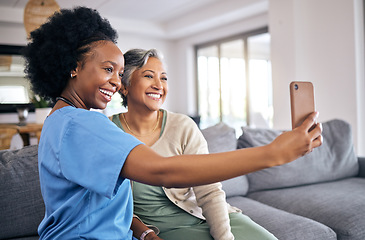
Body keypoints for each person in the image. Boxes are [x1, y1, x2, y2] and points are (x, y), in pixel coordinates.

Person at [23, 6, 322, 240]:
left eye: (119, 72)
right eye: (108, 69)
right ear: (74, 67)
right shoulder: (86, 125)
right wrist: (272, 153)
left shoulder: (58, 121)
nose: (116, 81)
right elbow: (163, 170)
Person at [111, 48, 277, 240]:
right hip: (161, 229)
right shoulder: (107, 130)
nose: (159, 85)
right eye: (149, 76)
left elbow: (209, 189)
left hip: (204, 216)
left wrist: (224, 237)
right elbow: (107, 202)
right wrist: (144, 233)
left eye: (164, 78)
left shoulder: (183, 126)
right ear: (124, 86)